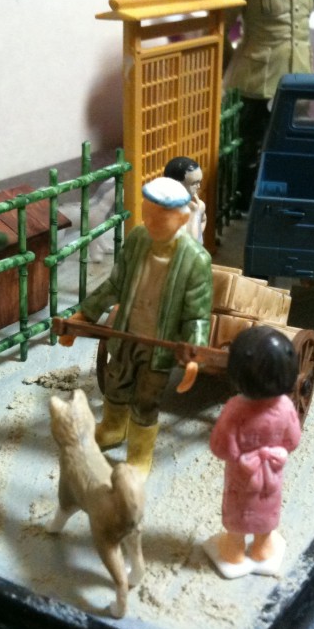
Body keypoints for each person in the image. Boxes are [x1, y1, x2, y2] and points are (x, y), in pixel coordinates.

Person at [59, 177, 213, 476]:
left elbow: (197, 314)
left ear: (182, 219)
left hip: (159, 345)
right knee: (116, 383)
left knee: (146, 399)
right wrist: (83, 318)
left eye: (159, 217)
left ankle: (140, 454)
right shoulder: (138, 239)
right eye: (146, 214)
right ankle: (112, 428)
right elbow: (114, 285)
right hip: (127, 333)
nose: (149, 222)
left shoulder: (196, 261)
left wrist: (194, 354)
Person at [202, 326, 302, 579]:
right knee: (267, 505)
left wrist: (241, 454)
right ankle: (262, 549)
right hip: (272, 472)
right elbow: (293, 440)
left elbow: (220, 446)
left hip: (242, 472)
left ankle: (233, 551)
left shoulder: (235, 409)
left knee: (238, 508)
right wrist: (274, 451)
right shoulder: (286, 407)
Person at [223, 0, 314, 211]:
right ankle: (241, 206)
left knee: (291, 147)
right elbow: (220, 26)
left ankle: (280, 204)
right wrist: (228, 69)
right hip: (255, 79)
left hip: (300, 77)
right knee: (246, 151)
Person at [163, 156, 206, 245]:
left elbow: (203, 220)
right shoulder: (166, 209)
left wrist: (199, 232)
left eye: (199, 182)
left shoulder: (199, 206)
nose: (198, 186)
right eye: (194, 183)